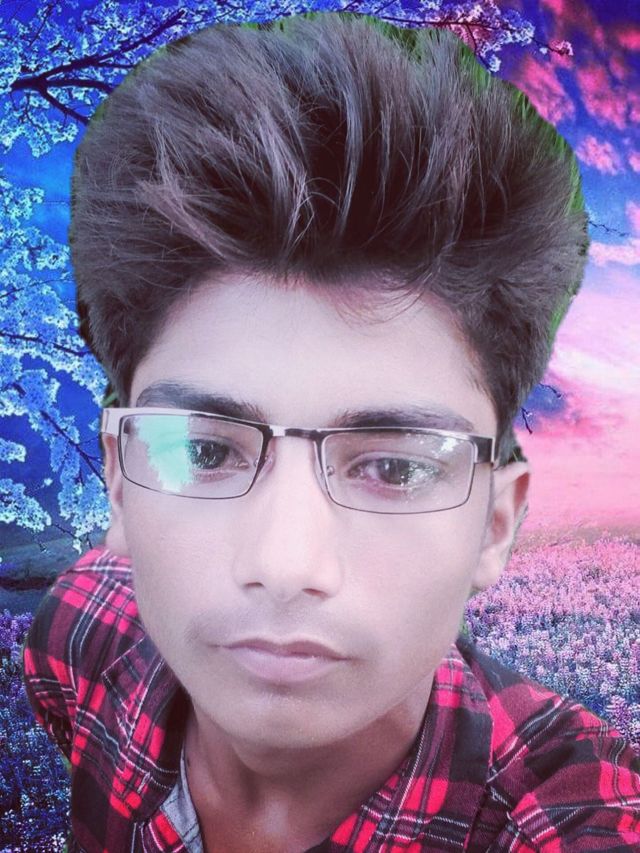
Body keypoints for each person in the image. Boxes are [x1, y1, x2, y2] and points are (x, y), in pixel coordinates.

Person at [22, 11, 640, 852]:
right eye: (204, 450)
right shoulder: (80, 637)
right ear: (118, 479)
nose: (285, 565)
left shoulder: (565, 821)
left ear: (497, 522)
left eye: (395, 467)